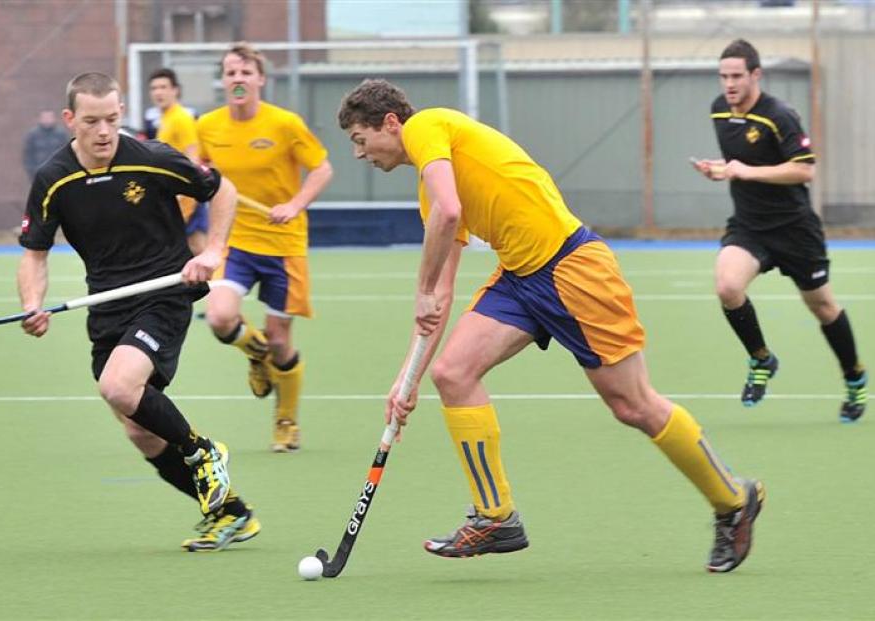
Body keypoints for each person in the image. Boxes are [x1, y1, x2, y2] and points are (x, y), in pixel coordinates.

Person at [337, 78, 765, 573]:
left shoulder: (427, 126)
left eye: (359, 139)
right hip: (520, 278)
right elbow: (441, 293)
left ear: (390, 122)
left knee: (634, 406)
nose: (359, 153)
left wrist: (421, 286)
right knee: (452, 373)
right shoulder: (431, 190)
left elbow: (449, 219)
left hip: (573, 269)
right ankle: (496, 517)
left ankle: (733, 499)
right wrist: (404, 380)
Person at [17, 72, 259, 552]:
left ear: (121, 113)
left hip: (165, 293)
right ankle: (231, 513)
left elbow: (222, 189)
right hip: (107, 305)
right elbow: (34, 254)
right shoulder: (54, 178)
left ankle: (202, 450)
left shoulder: (149, 157)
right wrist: (32, 305)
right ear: (71, 120)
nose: (104, 131)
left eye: (112, 118)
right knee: (137, 427)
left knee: (117, 385)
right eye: (91, 121)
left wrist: (213, 252)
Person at [691, 39, 867, 421]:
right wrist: (719, 170)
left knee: (822, 306)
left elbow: (805, 169)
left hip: (794, 229)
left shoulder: (780, 115)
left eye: (737, 76)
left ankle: (854, 378)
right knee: (728, 287)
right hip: (750, 227)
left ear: (756, 75)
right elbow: (740, 161)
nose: (729, 84)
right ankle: (761, 359)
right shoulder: (719, 111)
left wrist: (744, 170)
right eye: (723, 76)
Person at [197, 43, 334, 452]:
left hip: (283, 245)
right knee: (220, 317)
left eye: (245, 72)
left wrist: (294, 204)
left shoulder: (285, 124)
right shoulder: (208, 126)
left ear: (260, 79)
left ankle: (286, 420)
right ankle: (255, 354)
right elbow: (198, 172)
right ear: (223, 81)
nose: (237, 78)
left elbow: (322, 168)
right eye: (230, 72)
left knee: (280, 341)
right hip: (235, 241)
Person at [148, 67, 209, 255]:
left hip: (186, 195)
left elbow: (193, 156)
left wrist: (184, 194)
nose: (158, 92)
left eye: (163, 87)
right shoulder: (166, 119)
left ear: (175, 90)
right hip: (172, 195)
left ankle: (216, 284)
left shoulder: (181, 118)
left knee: (198, 247)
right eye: (154, 88)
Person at [22, 110, 68, 181]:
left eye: (49, 117)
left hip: (57, 172)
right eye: (45, 117)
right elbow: (28, 154)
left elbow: (66, 152)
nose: (47, 120)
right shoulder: (33, 135)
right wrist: (31, 170)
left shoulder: (61, 134)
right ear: (40, 119)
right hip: (38, 171)